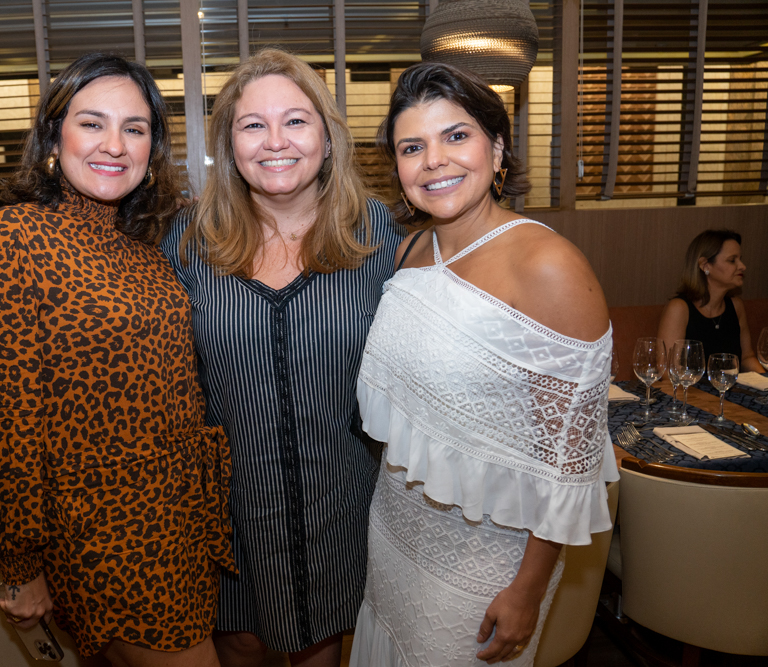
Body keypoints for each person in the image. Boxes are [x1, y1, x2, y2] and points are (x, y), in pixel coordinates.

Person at [0, 52, 233, 666]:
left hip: (177, 523)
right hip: (104, 534)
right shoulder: (9, 241)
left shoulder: (143, 249)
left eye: (134, 128)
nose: (114, 145)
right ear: (54, 138)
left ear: (152, 150)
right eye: (92, 123)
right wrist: (21, 564)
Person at [349, 62, 619, 667]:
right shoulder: (411, 249)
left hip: (488, 560)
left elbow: (570, 461)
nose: (434, 161)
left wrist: (528, 589)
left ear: (497, 148)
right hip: (395, 532)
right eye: (412, 147)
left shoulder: (548, 265)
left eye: (456, 136)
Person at [160, 49, 402, 667]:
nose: (275, 141)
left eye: (295, 121)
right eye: (253, 125)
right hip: (228, 512)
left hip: (340, 501)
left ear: (327, 135)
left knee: (321, 642)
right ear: (229, 144)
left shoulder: (377, 233)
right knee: (239, 641)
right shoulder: (187, 241)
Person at [657, 229, 765, 372]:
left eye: (740, 259)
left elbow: (746, 358)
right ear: (705, 265)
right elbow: (667, 371)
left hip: (729, 386)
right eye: (732, 260)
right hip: (690, 386)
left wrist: (764, 380)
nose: (742, 266)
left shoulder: (736, 305)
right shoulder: (679, 308)